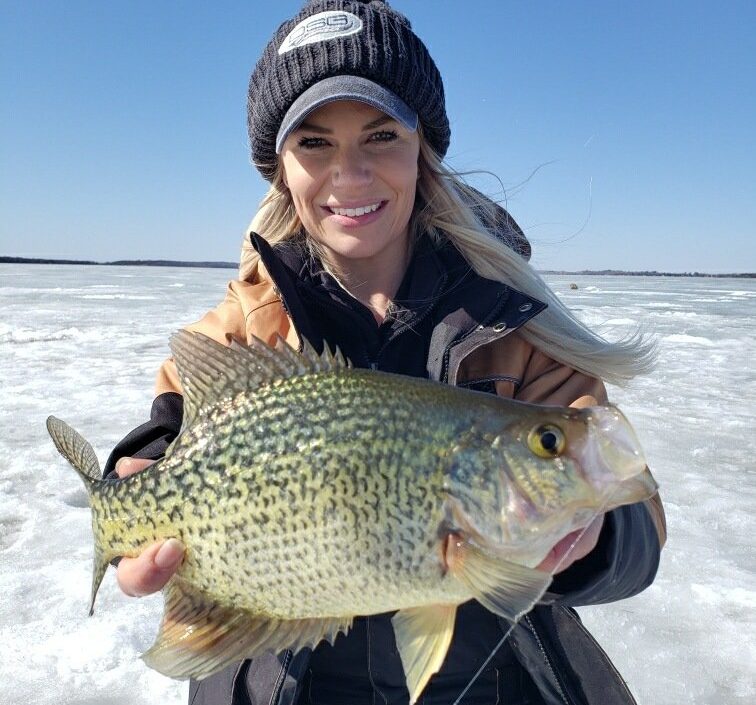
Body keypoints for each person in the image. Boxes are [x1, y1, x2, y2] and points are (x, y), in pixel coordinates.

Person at [106, 2, 667, 704]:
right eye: (314, 143)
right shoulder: (245, 328)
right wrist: (134, 511)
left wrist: (597, 537)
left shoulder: (513, 325)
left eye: (380, 135)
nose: (351, 173)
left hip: (496, 682)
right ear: (278, 168)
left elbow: (638, 531)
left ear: (422, 147)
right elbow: (163, 446)